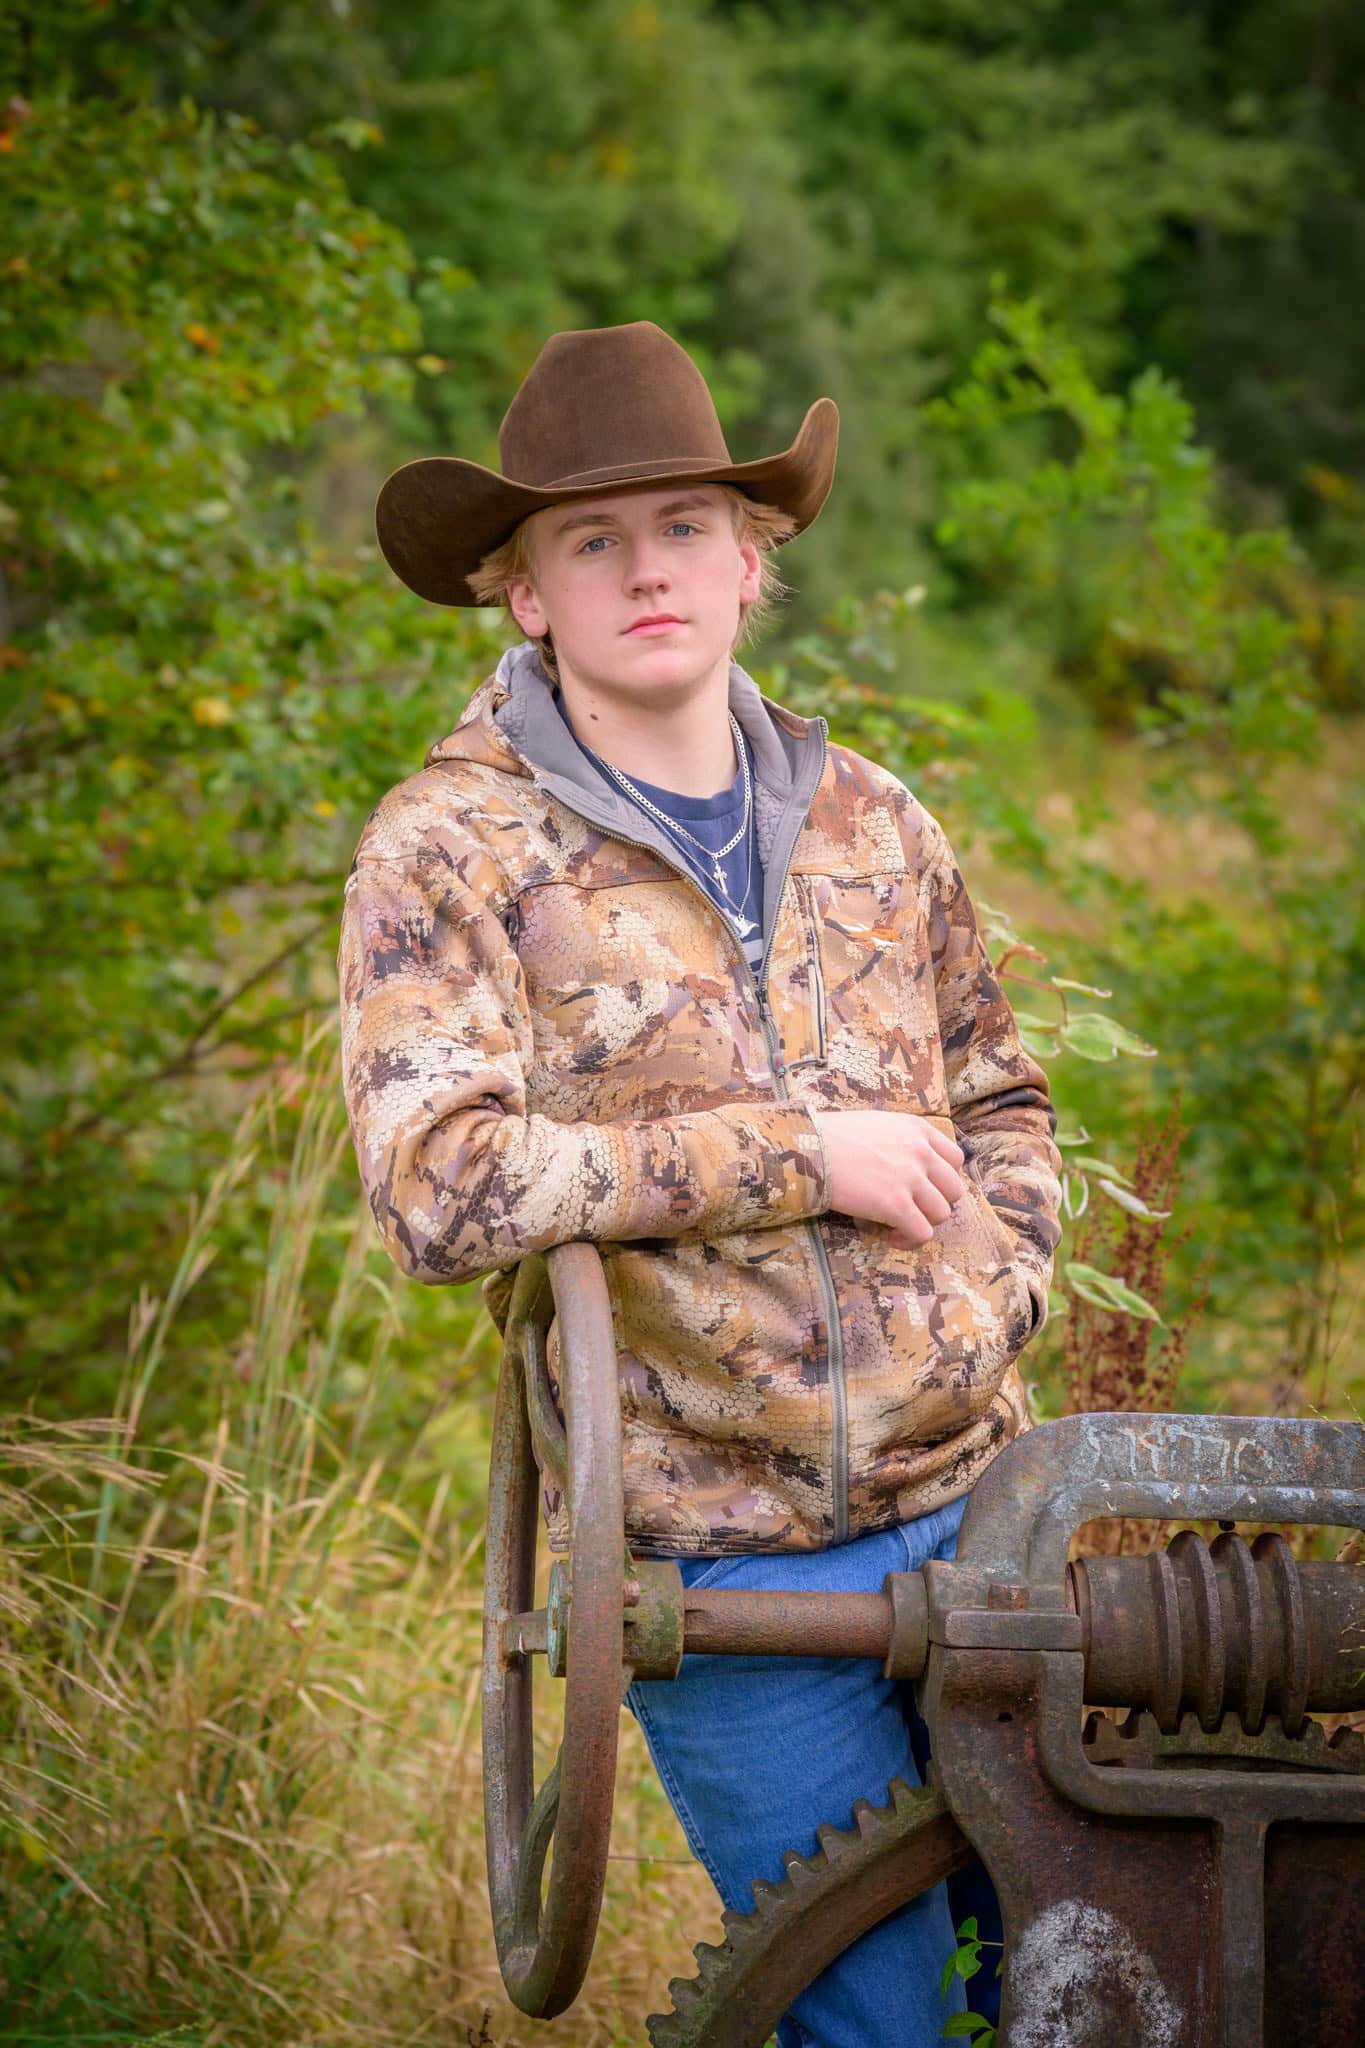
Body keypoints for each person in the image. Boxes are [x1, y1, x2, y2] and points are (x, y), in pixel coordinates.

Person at [338, 320, 1063, 2047]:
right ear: (525, 595)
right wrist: (790, 1156)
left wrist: (994, 1291)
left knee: (1073, 1979)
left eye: (680, 527)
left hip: (991, 1514)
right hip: (723, 1571)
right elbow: (437, 1189)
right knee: (875, 2024)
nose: (643, 568)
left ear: (751, 560)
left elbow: (1003, 1097)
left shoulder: (875, 823)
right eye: (590, 540)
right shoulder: (445, 849)